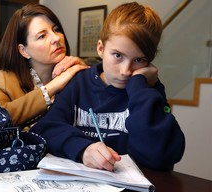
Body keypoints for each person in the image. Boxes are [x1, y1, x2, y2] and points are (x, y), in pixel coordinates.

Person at [31, 2, 185, 171]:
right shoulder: (78, 83)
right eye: (118, 55)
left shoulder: (148, 91)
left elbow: (161, 154)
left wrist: (138, 87)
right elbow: (46, 128)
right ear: (101, 48)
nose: (126, 71)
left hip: (134, 191)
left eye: (139, 60)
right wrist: (83, 149)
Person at [0, 4, 89, 129]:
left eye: (56, 29)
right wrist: (52, 87)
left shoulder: (75, 72)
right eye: (42, 36)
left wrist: (87, 75)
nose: (56, 38)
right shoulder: (2, 80)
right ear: (24, 51)